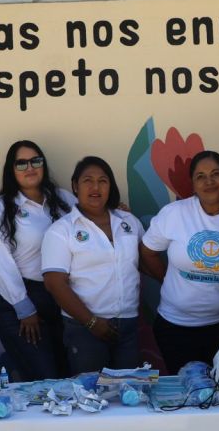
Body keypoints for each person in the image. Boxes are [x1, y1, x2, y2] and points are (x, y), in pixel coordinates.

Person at [139, 151, 219, 374]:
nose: (209, 181)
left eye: (216, 174)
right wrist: (165, 278)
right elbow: (147, 252)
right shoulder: (174, 214)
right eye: (200, 176)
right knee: (186, 394)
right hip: (176, 328)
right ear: (193, 184)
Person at [0, 140, 75, 382]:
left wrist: (116, 212)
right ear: (11, 170)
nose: (29, 167)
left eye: (36, 160)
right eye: (21, 163)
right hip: (18, 300)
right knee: (43, 374)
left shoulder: (64, 200)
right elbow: (1, 264)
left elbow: (91, 224)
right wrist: (24, 308)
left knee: (65, 370)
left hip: (59, 294)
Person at [42, 156, 144, 374]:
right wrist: (91, 323)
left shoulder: (129, 222)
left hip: (128, 326)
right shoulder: (62, 230)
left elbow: (146, 260)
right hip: (84, 329)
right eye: (87, 180)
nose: (95, 187)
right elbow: (54, 283)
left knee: (132, 397)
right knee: (91, 399)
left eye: (103, 180)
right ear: (75, 186)